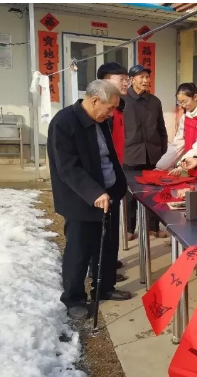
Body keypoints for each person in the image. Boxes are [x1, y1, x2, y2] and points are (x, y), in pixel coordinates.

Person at [47, 80, 133, 319]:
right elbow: (68, 168)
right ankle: (73, 298)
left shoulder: (100, 120)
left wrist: (117, 185)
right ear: (95, 100)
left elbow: (107, 156)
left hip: (108, 193)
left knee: (107, 245)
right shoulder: (64, 122)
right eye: (110, 107)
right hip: (80, 197)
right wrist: (94, 192)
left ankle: (104, 288)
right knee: (79, 250)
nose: (112, 113)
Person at [122, 64, 168, 240]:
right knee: (130, 194)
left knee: (154, 193)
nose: (145, 80)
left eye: (147, 77)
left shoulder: (154, 102)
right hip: (130, 155)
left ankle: (153, 227)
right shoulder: (122, 101)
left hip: (153, 154)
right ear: (131, 80)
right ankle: (129, 229)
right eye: (141, 77)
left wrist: (163, 152)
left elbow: (161, 128)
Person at [93, 62, 129, 279]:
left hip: (115, 175)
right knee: (102, 228)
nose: (126, 83)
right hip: (102, 181)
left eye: (127, 79)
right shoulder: (102, 112)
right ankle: (100, 271)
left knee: (112, 226)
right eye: (121, 79)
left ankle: (108, 263)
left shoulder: (118, 108)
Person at [155, 82, 197, 173]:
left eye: (185, 101)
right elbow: (177, 144)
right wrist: (160, 167)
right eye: (180, 102)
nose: (182, 105)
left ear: (195, 97)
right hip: (190, 167)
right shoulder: (185, 117)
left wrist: (182, 163)